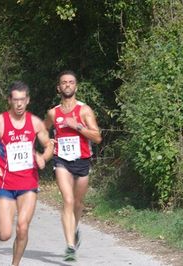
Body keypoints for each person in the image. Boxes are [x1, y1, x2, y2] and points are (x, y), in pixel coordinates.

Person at [0, 81, 53, 266]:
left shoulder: (35, 122)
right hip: (5, 183)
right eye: (15, 100)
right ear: (9, 100)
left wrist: (44, 157)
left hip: (28, 183)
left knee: (22, 227)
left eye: (22, 100)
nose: (19, 104)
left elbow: (49, 144)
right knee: (5, 235)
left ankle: (15, 264)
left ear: (28, 100)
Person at [45, 70, 102, 261]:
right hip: (61, 161)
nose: (67, 85)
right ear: (58, 88)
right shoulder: (53, 113)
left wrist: (77, 126)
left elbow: (97, 137)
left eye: (71, 82)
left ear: (75, 87)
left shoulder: (84, 110)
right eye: (64, 82)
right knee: (68, 201)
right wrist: (49, 143)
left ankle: (74, 228)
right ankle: (70, 246)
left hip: (82, 161)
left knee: (77, 204)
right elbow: (42, 131)